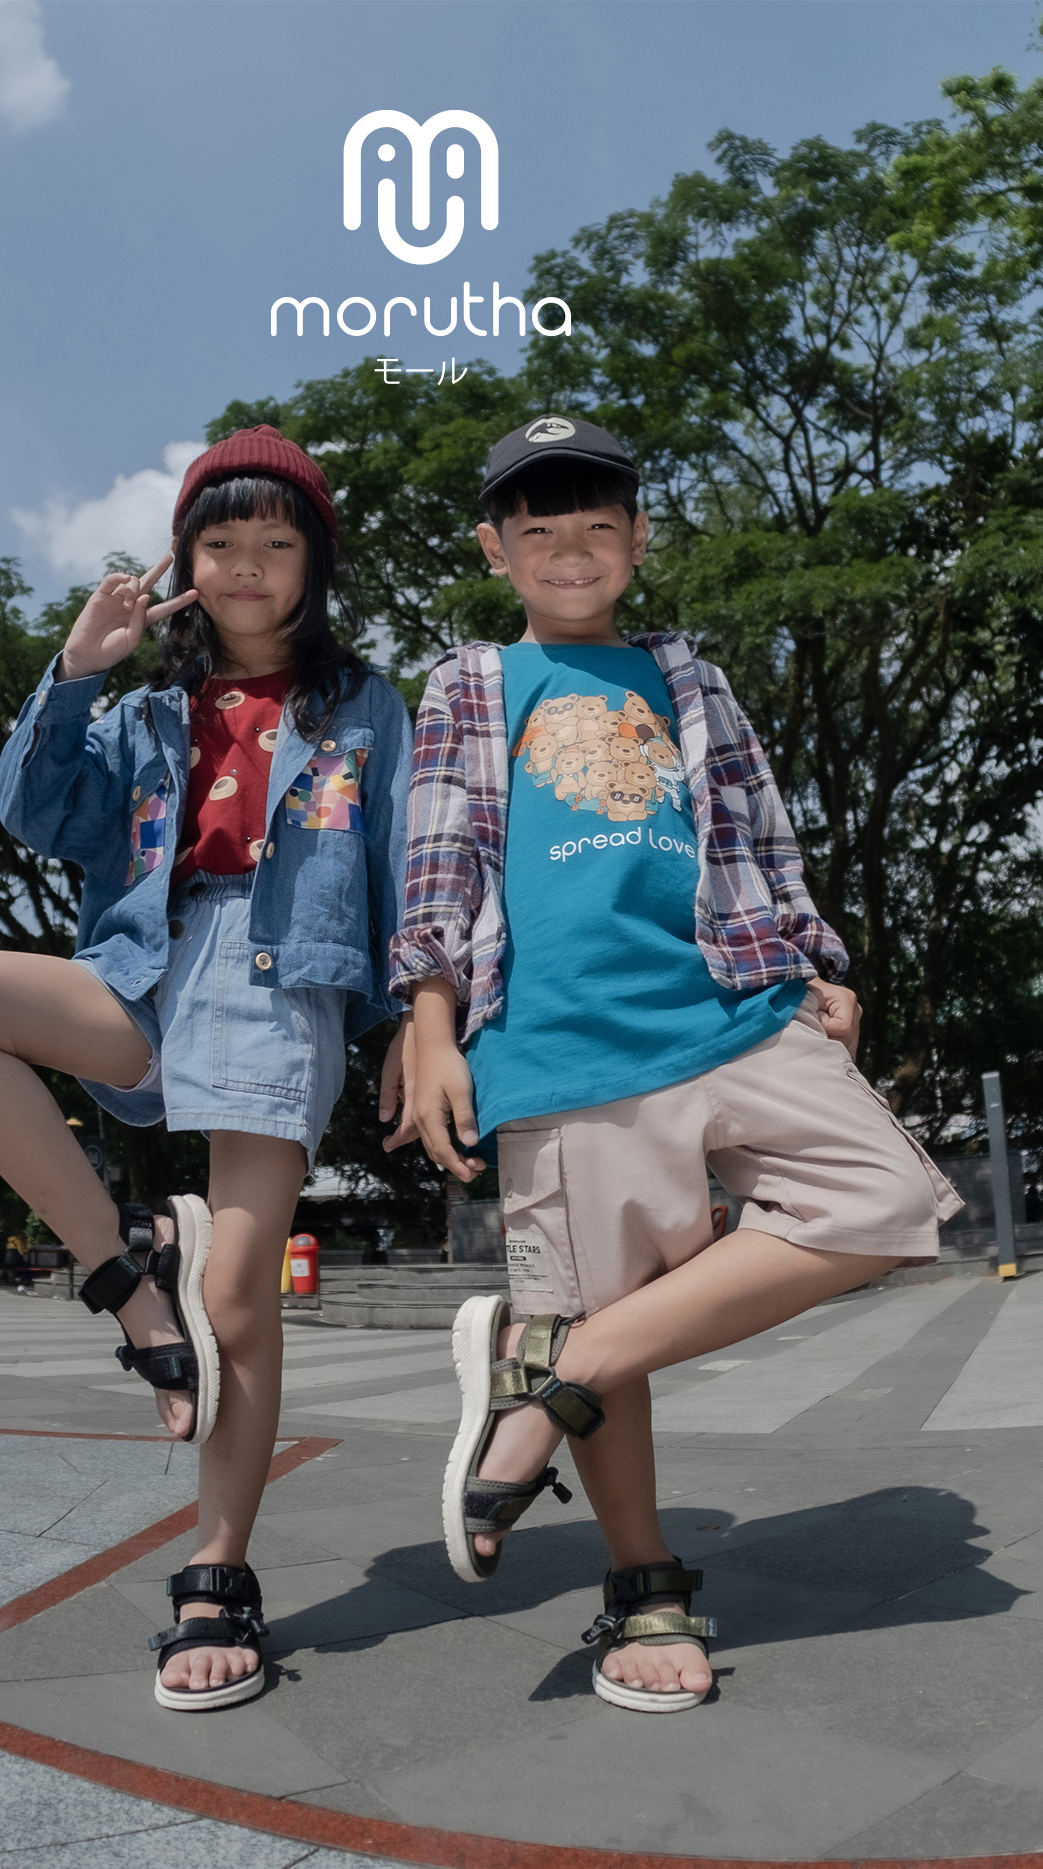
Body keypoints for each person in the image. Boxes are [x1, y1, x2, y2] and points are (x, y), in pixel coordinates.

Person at [382, 415, 960, 1714]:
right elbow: (439, 852)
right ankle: (643, 1581)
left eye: (598, 527)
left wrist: (819, 957)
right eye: (539, 529)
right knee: (610, 1302)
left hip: (732, 1002)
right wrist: (427, 1021)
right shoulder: (471, 681)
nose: (570, 551)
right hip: (561, 1034)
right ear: (493, 548)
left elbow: (764, 830)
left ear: (640, 540)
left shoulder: (687, 678)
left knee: (883, 1196)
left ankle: (549, 1376)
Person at [0, 426, 411, 1711]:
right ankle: (125, 1275)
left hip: (282, 979)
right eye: (219, 543)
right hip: (144, 970)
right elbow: (36, 811)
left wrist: (418, 1022)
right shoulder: (139, 715)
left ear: (315, 561)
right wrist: (78, 669)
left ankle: (217, 1570)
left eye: (276, 543)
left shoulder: (363, 706)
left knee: (238, 1301)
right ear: (184, 561)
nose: (247, 566)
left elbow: (407, 868)